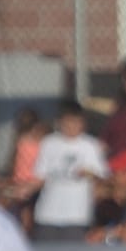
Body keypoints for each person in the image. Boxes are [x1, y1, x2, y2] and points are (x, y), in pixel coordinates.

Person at [30, 99, 109, 241]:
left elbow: (103, 177)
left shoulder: (90, 145)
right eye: (68, 122)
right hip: (48, 214)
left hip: (76, 215)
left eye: (76, 122)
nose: (72, 126)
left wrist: (89, 174)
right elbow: (40, 176)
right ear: (60, 122)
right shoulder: (49, 143)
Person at [0, 107, 49, 228]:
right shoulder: (20, 141)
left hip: (35, 182)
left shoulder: (43, 143)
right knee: (9, 204)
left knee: (28, 211)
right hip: (20, 181)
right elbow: (14, 164)